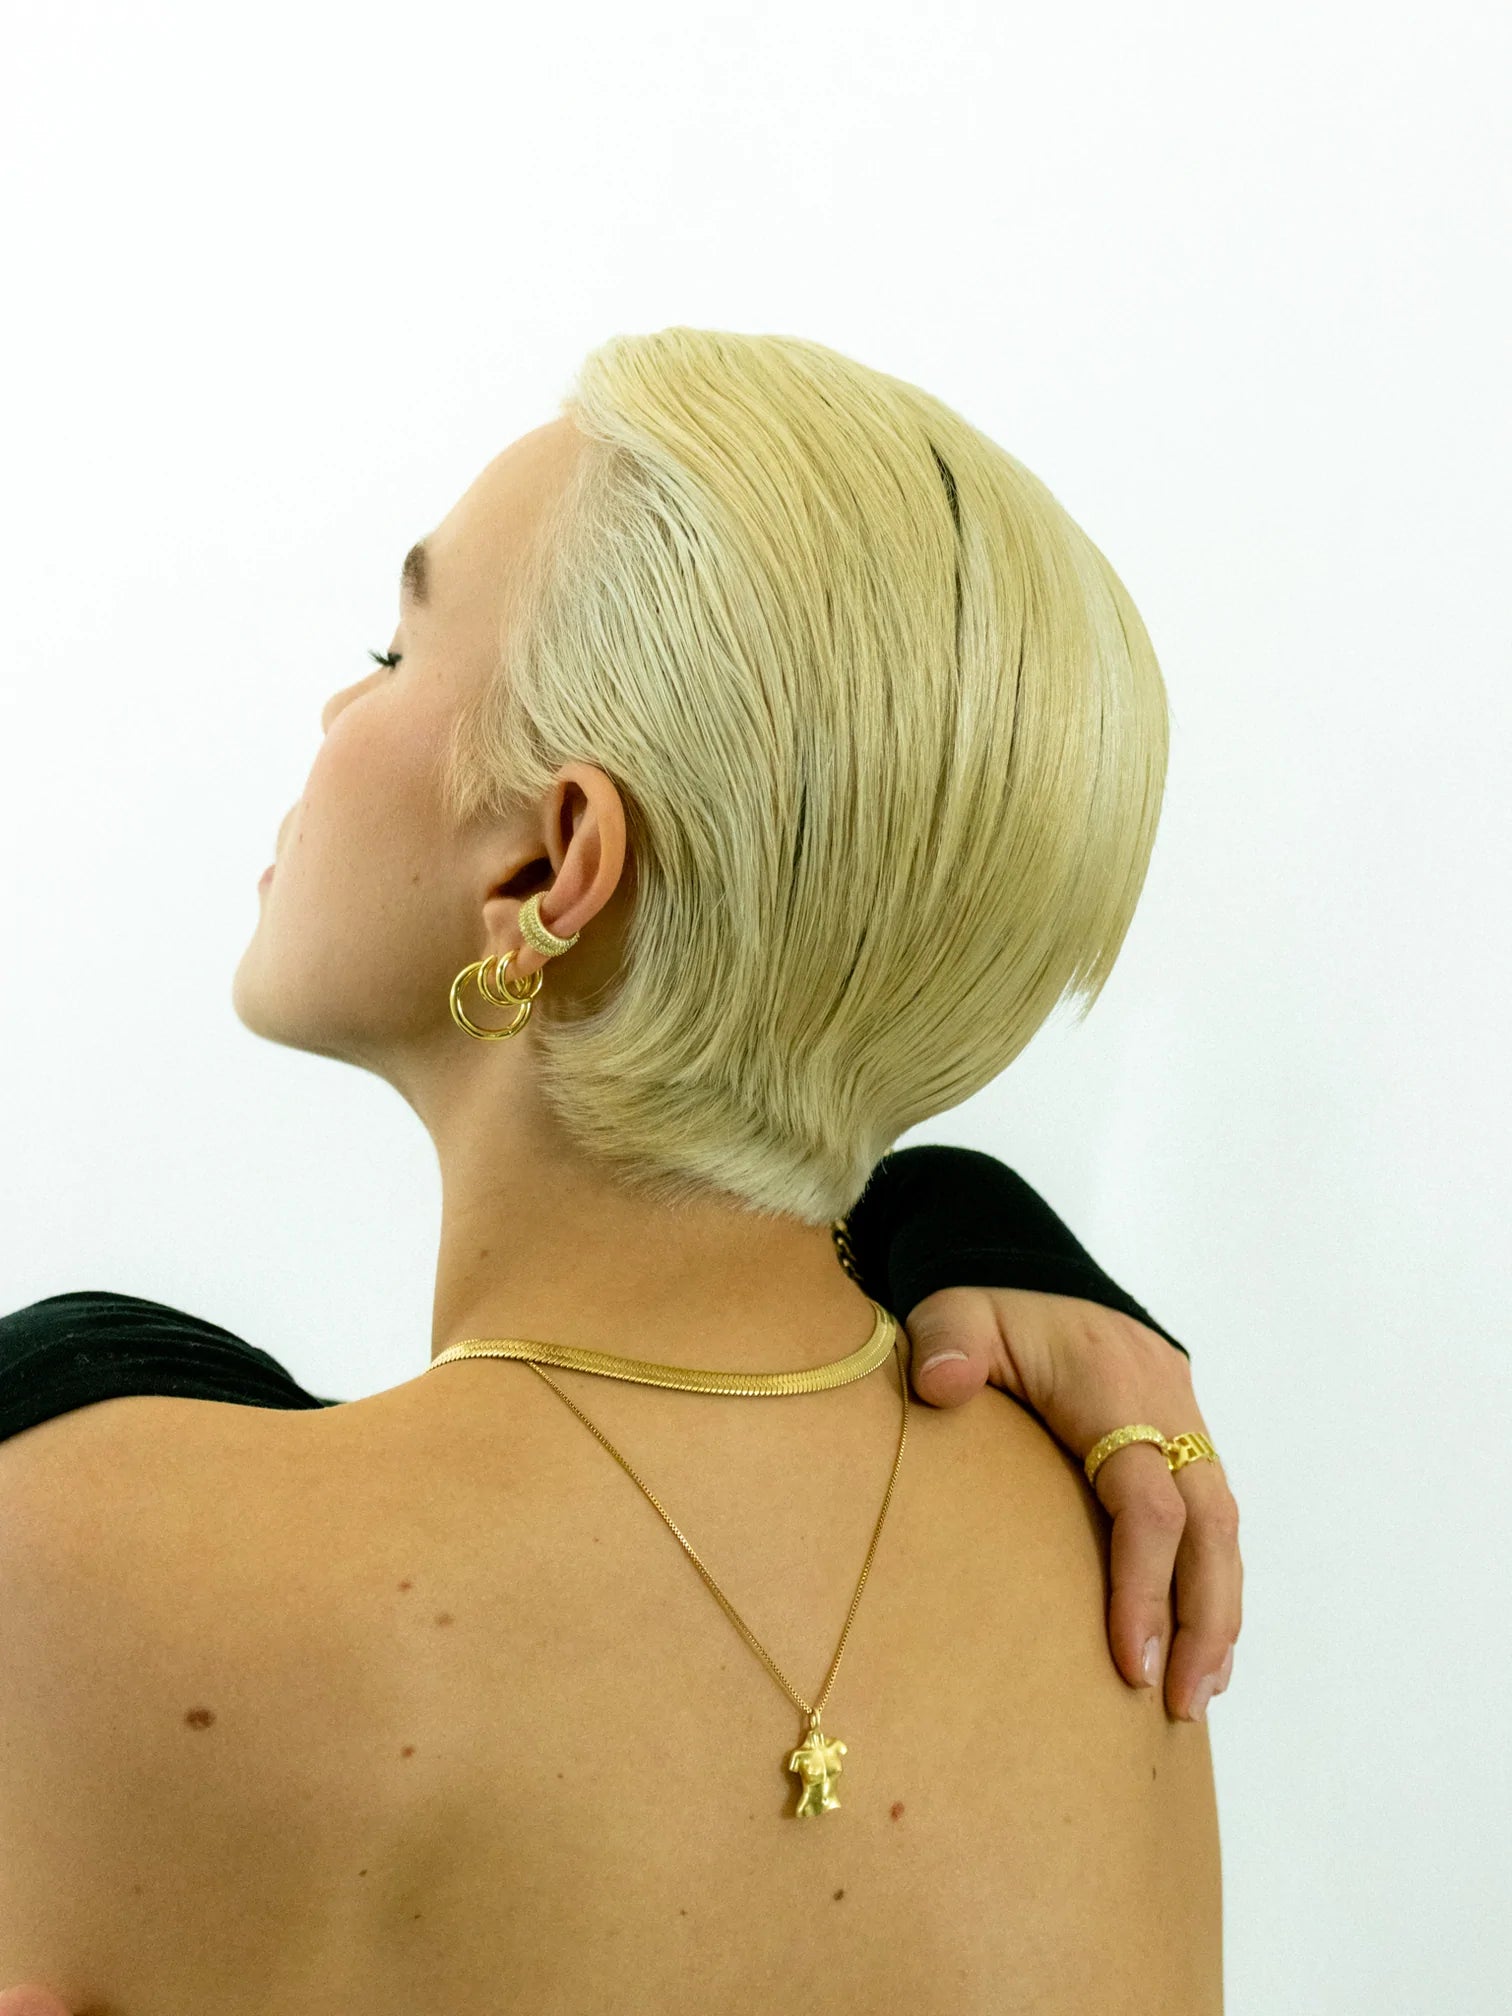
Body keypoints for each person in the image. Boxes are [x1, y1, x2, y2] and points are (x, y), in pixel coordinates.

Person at [0, 328, 1236, 2013]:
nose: (336, 705)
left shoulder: (88, 1546)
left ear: (550, 867)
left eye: (392, 649)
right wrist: (956, 1211)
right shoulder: (1118, 1564)